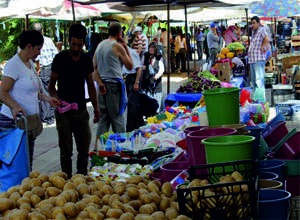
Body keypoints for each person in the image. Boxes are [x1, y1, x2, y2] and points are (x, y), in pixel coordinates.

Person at [0, 30, 60, 171]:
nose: (40, 53)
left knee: (27, 164)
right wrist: (14, 107)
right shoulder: (14, 65)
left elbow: (37, 92)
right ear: (29, 47)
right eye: (38, 49)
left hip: (29, 123)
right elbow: (2, 92)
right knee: (15, 166)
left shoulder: (30, 64)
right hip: (13, 123)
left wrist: (49, 99)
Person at [48, 24, 101, 178]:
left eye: (80, 44)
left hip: (81, 110)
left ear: (84, 43)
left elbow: (91, 85)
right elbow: (51, 86)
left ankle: (82, 178)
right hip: (63, 112)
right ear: (68, 41)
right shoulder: (60, 59)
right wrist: (57, 100)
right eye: (74, 44)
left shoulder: (86, 60)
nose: (77, 48)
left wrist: (96, 108)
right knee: (66, 151)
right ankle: (65, 180)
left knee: (84, 148)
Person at [93, 23, 133, 144]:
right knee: (117, 118)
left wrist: (100, 83)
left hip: (102, 86)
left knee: (103, 119)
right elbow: (130, 66)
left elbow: (94, 67)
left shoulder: (100, 45)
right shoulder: (117, 46)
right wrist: (125, 46)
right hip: (114, 86)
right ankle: (123, 147)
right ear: (119, 33)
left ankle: (99, 148)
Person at [32, 22, 58, 124]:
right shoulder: (48, 40)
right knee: (52, 89)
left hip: (42, 69)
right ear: (42, 30)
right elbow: (55, 55)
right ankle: (53, 112)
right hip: (51, 68)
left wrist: (37, 70)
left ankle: (48, 117)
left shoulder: (35, 42)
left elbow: (37, 59)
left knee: (44, 92)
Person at [248, 16, 270, 101]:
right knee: (254, 82)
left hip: (258, 59)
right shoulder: (254, 32)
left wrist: (263, 47)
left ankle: (262, 103)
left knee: (259, 81)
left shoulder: (261, 29)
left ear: (258, 23)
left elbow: (267, 39)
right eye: (251, 23)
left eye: (254, 23)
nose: (252, 25)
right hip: (253, 60)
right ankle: (257, 101)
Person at [124, 45, 144, 132]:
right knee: (132, 103)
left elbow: (139, 69)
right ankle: (139, 123)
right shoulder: (121, 52)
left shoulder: (132, 52)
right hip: (126, 78)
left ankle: (131, 127)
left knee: (132, 103)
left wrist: (136, 82)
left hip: (132, 77)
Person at [141, 42, 164, 112]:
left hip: (157, 84)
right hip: (147, 84)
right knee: (148, 102)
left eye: (153, 47)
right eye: (150, 47)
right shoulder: (145, 56)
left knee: (157, 103)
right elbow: (140, 65)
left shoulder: (159, 57)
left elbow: (162, 69)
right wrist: (142, 67)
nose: (151, 49)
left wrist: (157, 75)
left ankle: (157, 117)